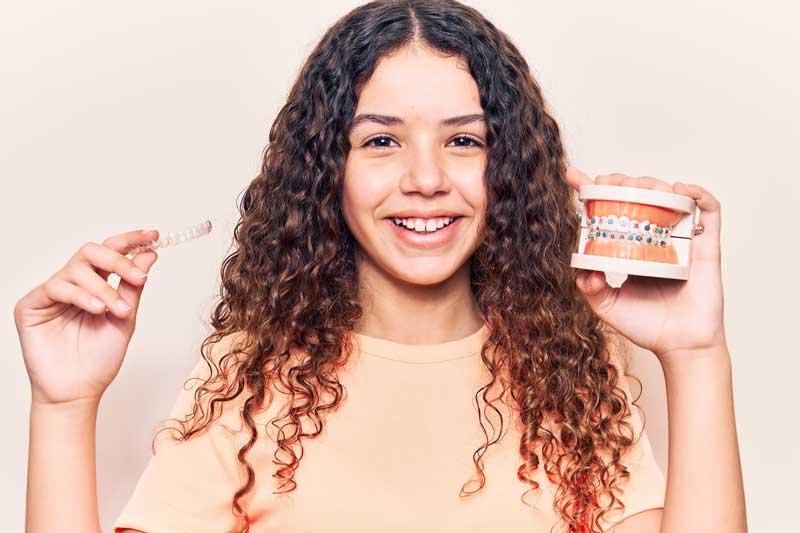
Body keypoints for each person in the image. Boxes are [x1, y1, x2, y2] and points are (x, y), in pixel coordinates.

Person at [18, 1, 746, 532]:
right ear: (326, 170)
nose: (425, 177)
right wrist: (63, 407)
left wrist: (696, 353)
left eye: (465, 142)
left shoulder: (575, 378)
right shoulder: (245, 386)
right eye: (380, 142)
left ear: (513, 170)